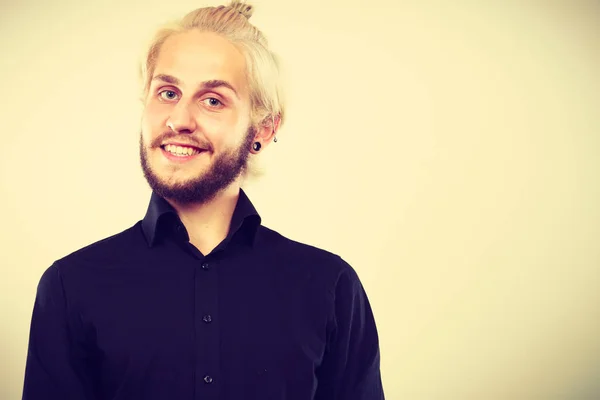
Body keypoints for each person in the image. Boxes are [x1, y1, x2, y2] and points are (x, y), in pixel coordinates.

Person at [22, 1, 384, 399]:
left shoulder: (331, 287)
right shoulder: (70, 286)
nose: (179, 120)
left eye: (212, 100)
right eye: (167, 92)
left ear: (262, 129)